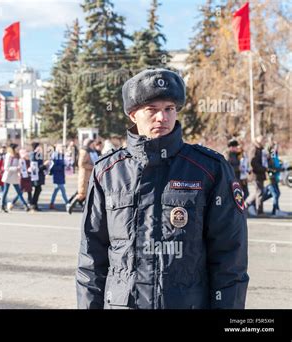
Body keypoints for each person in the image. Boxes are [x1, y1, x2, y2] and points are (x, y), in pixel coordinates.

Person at [76, 68, 249, 309]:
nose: (162, 118)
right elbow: (91, 259)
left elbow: (230, 257)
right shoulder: (108, 171)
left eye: (169, 109)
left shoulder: (209, 169)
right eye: (153, 110)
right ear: (133, 115)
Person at [67, 138, 96, 214]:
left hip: (89, 174)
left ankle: (85, 208)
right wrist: (92, 166)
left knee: (88, 193)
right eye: (92, 144)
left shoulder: (90, 151)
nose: (94, 146)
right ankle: (70, 206)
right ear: (89, 144)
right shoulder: (84, 151)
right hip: (84, 175)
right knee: (82, 193)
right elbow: (81, 164)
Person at [0, 144, 30, 213]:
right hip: (8, 175)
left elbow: (21, 163)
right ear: (13, 149)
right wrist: (17, 168)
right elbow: (6, 167)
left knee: (19, 191)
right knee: (5, 191)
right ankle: (2, 206)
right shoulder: (9, 155)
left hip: (15, 176)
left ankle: (25, 205)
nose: (18, 149)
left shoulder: (17, 155)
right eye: (17, 148)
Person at [245, 135, 268, 216]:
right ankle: (259, 211)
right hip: (256, 174)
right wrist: (263, 168)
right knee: (259, 192)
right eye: (263, 141)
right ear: (259, 141)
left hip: (260, 173)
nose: (264, 142)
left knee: (258, 192)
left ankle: (246, 204)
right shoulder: (254, 149)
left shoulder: (261, 149)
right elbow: (253, 162)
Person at [49, 144, 69, 211]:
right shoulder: (55, 155)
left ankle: (51, 203)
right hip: (57, 175)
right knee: (63, 190)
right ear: (58, 148)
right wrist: (62, 166)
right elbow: (54, 166)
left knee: (56, 190)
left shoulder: (61, 155)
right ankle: (67, 203)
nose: (63, 150)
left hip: (60, 175)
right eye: (62, 148)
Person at [29, 142, 48, 211]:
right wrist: (44, 165)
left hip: (39, 175)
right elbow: (34, 167)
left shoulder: (38, 155)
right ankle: (33, 204)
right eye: (39, 147)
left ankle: (34, 204)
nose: (41, 148)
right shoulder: (33, 155)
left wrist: (46, 166)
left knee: (38, 189)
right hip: (35, 176)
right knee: (35, 189)